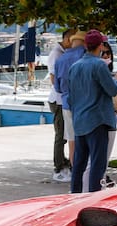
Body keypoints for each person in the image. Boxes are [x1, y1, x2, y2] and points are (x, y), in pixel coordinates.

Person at [67, 29, 117, 193]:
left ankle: (75, 195)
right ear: (100, 45)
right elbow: (112, 90)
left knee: (79, 164)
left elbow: (71, 95)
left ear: (86, 45)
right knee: (97, 165)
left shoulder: (75, 66)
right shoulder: (99, 65)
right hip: (98, 120)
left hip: (80, 120)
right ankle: (94, 197)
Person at [54, 30, 86, 182]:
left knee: (72, 140)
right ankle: (86, 173)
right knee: (87, 139)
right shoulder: (86, 56)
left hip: (67, 103)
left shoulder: (61, 59)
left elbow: (58, 87)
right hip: (85, 103)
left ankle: (76, 174)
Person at [46, 29, 74, 183]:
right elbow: (53, 78)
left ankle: (62, 161)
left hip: (61, 98)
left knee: (64, 134)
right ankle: (58, 166)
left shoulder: (62, 53)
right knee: (61, 134)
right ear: (69, 39)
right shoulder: (57, 55)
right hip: (58, 100)